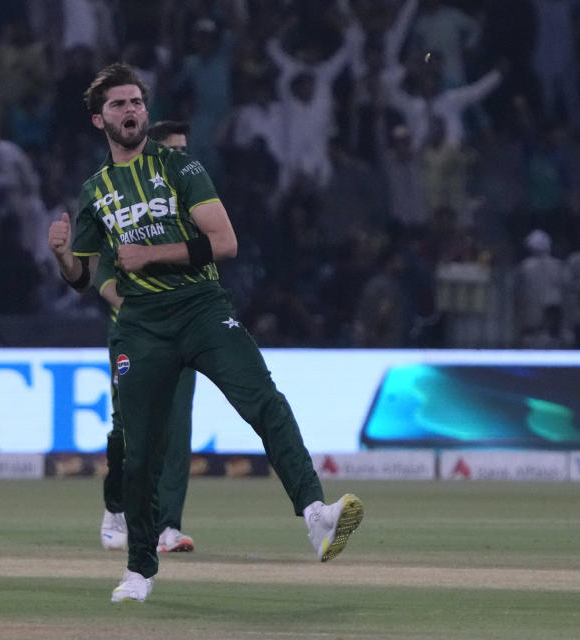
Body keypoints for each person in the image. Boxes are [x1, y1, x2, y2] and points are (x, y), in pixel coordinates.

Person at [47, 63, 364, 604]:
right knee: (141, 451)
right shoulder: (95, 190)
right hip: (141, 326)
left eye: (137, 102)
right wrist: (61, 255)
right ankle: (139, 572)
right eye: (119, 105)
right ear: (100, 120)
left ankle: (317, 515)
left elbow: (225, 242)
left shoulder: (180, 165)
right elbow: (81, 278)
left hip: (200, 308)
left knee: (264, 401)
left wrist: (150, 254)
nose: (131, 111)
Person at [99, 120, 197, 555]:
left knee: (176, 429)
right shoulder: (118, 199)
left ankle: (167, 526)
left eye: (185, 149)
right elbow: (99, 269)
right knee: (130, 429)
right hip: (135, 332)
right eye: (172, 149)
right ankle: (116, 510)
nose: (181, 156)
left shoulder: (196, 201)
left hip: (184, 328)